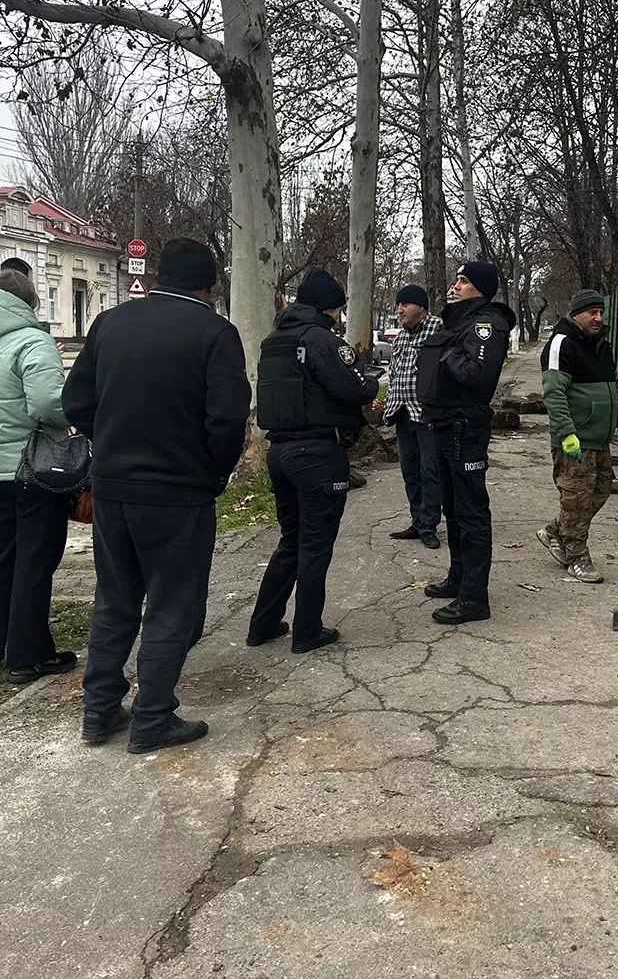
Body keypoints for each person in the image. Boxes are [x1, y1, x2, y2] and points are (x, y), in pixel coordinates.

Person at [63, 238, 251, 753]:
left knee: (114, 599)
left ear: (160, 277)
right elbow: (228, 419)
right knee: (173, 603)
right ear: (209, 286)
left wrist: (110, 443)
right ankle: (152, 717)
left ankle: (99, 710)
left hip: (113, 487)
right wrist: (213, 473)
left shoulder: (110, 324)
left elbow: (75, 401)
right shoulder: (215, 332)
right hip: (178, 492)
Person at [0, 270, 77, 683]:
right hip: (31, 467)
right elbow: (47, 405)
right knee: (34, 561)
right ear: (27, 303)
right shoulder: (32, 341)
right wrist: (73, 412)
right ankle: (28, 657)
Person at [248, 267, 380, 654]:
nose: (339, 316)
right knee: (315, 546)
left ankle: (263, 624)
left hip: (279, 451)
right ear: (328, 308)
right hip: (318, 454)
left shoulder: (274, 340)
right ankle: (308, 631)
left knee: (290, 541)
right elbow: (353, 388)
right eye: (338, 309)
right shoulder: (321, 338)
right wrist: (371, 382)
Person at [415, 261, 516, 625]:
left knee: (471, 512)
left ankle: (474, 598)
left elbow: (477, 375)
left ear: (481, 288)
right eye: (456, 279)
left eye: (463, 281)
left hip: (465, 429)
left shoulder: (486, 325)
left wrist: (448, 352)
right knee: (453, 509)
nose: (455, 286)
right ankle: (458, 579)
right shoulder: (460, 322)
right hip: (444, 425)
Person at [537, 289, 618, 583]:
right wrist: (567, 434)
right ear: (576, 314)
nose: (598, 318)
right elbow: (554, 394)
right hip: (575, 441)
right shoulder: (561, 344)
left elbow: (614, 388)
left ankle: (555, 531)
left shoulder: (602, 345)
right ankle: (577, 555)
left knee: (600, 490)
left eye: (600, 312)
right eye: (592, 312)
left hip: (599, 439)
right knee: (577, 498)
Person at [382, 284, 444, 549]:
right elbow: (394, 374)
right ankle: (417, 521)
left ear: (421, 307)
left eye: (405, 304)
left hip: (427, 415)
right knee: (410, 471)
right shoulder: (400, 337)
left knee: (430, 471)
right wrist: (388, 404)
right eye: (398, 304)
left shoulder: (438, 329)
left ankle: (429, 526)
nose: (400, 309)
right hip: (402, 413)